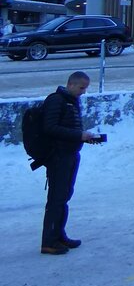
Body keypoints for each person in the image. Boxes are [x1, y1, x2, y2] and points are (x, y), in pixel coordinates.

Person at [41, 71, 103, 255]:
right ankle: (49, 241)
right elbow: (49, 128)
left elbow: (67, 128)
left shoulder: (70, 101)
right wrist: (79, 135)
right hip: (59, 156)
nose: (84, 92)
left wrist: (85, 138)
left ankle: (59, 235)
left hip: (69, 154)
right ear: (71, 84)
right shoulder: (56, 100)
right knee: (57, 198)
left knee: (64, 197)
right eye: (82, 88)